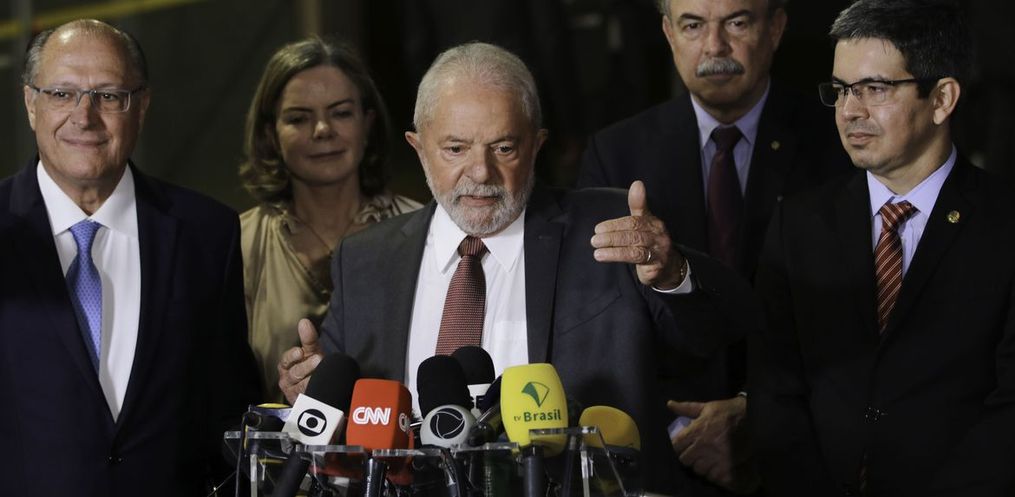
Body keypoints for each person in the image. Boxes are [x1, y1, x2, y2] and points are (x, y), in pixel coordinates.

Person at [277, 42, 758, 493]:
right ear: (418, 147)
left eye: (503, 147)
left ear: (536, 144)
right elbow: (335, 411)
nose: (481, 172)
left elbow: (722, 330)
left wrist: (672, 275)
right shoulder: (366, 259)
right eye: (455, 149)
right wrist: (308, 386)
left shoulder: (610, 229)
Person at [577, 0, 851, 491]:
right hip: (667, 454)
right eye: (693, 25)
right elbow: (602, 326)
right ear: (668, 33)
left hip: (805, 451)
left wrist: (756, 412)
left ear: (776, 28)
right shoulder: (615, 154)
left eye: (737, 23)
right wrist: (683, 433)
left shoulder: (838, 143)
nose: (714, 46)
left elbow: (856, 309)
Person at [750, 1, 1015, 495]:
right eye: (841, 90)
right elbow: (775, 391)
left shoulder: (1003, 226)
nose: (850, 111)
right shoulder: (798, 225)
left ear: (942, 99)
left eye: (875, 89)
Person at [0, 19, 259, 496]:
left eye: (108, 95)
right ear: (30, 104)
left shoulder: (208, 234)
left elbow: (227, 413)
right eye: (62, 94)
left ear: (141, 106)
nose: (84, 117)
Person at [238, 37, 420, 402]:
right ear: (271, 133)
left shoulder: (423, 229)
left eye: (341, 113)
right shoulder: (237, 243)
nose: (322, 129)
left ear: (368, 122)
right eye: (299, 118)